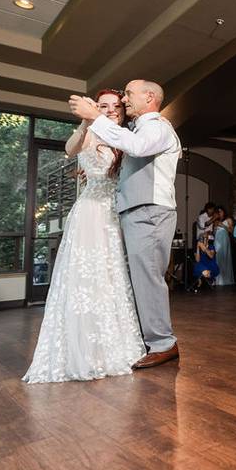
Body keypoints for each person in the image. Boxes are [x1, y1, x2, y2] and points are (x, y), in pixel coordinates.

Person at [24, 90, 146, 383]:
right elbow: (70, 149)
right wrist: (85, 122)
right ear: (95, 108)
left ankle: (114, 344)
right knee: (85, 274)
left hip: (116, 212)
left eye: (116, 106)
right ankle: (83, 348)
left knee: (112, 274)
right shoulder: (90, 133)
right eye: (103, 106)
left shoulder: (126, 137)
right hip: (90, 212)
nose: (111, 110)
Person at [69, 79, 182, 369]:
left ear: (149, 97)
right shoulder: (139, 128)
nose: (126, 100)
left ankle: (163, 344)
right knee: (138, 279)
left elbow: (137, 147)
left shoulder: (157, 126)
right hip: (136, 210)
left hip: (150, 211)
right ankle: (151, 340)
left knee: (148, 280)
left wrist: (95, 117)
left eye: (129, 95)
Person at [214, 213, 234, 286]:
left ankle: (226, 279)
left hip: (224, 240)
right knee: (218, 258)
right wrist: (215, 229)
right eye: (217, 211)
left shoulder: (228, 220)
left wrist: (223, 226)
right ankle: (218, 279)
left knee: (225, 257)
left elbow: (231, 231)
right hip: (217, 240)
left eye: (220, 211)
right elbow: (214, 232)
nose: (219, 213)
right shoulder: (216, 221)